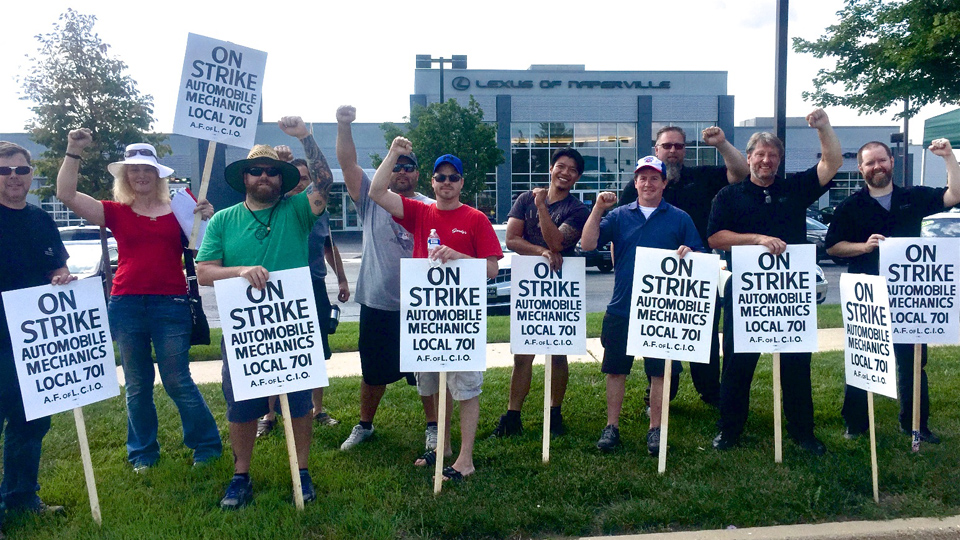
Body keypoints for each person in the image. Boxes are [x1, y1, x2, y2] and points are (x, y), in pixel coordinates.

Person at [56, 130, 222, 472]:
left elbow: (203, 246)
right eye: (134, 170)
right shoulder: (115, 211)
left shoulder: (180, 207)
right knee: (137, 384)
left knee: (177, 380)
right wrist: (73, 150)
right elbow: (66, 194)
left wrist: (207, 216)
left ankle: (206, 445)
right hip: (126, 304)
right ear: (125, 176)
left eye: (147, 169)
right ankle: (143, 453)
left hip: (171, 305)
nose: (141, 175)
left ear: (158, 174)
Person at [196, 116, 334, 509]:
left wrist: (306, 136)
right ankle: (241, 476)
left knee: (300, 402)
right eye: (256, 170)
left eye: (272, 172)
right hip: (246, 329)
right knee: (241, 406)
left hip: (292, 324)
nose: (264, 177)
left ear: (282, 179)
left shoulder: (297, 210)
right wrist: (240, 271)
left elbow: (323, 182)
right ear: (245, 177)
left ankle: (302, 471)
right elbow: (204, 272)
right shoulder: (223, 220)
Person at [706, 108, 843, 455]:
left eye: (772, 155)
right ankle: (729, 430)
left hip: (790, 295)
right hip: (747, 293)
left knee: (797, 365)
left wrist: (823, 128)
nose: (766, 160)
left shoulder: (795, 188)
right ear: (748, 158)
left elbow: (832, 164)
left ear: (779, 160)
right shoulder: (729, 195)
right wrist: (756, 239)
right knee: (737, 365)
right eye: (760, 154)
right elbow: (716, 238)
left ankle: (803, 433)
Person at [369, 137, 502, 480]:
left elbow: (491, 269)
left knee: (465, 387)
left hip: (461, 318)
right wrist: (395, 154)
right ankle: (441, 447)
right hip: (426, 317)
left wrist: (458, 256)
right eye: (440, 177)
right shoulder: (419, 212)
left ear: (461, 182)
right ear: (432, 182)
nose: (446, 183)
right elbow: (376, 192)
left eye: (452, 177)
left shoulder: (475, 219)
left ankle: (465, 459)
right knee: (432, 385)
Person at [825, 139, 960, 442]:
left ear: (892, 162)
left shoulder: (914, 196)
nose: (877, 167)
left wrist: (949, 157)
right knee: (864, 357)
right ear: (860, 168)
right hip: (867, 295)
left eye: (881, 160)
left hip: (910, 297)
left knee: (913, 362)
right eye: (870, 163)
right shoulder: (850, 206)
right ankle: (856, 423)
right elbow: (833, 246)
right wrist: (865, 246)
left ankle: (916, 425)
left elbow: (955, 194)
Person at [334, 105, 439, 454]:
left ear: (418, 174)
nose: (402, 172)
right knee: (373, 373)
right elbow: (348, 165)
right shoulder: (370, 198)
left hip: (421, 306)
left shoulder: (431, 206)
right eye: (396, 167)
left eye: (409, 168)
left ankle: (434, 428)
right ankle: (365, 425)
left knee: (428, 372)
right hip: (379, 301)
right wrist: (344, 125)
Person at [620, 126, 748, 408]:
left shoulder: (701, 177)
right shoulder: (637, 185)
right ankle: (661, 393)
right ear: (656, 149)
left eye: (678, 146)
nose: (673, 151)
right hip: (654, 277)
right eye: (667, 146)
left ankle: (710, 391)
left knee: (705, 334)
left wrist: (722, 145)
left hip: (698, 270)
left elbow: (740, 174)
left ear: (685, 150)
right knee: (657, 338)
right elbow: (622, 230)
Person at [582, 156, 703, 455]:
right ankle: (612, 426)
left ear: (664, 183)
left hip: (662, 308)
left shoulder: (680, 218)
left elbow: (699, 257)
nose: (648, 183)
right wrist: (598, 208)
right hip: (622, 306)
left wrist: (689, 252)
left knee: (659, 372)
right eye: (642, 178)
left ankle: (656, 428)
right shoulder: (620, 215)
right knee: (615, 370)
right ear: (635, 183)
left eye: (654, 178)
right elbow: (587, 244)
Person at [490, 147, 589, 438]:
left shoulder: (577, 209)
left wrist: (543, 207)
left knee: (558, 353)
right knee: (523, 354)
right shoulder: (524, 200)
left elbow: (558, 242)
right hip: (529, 284)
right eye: (561, 166)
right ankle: (512, 416)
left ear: (577, 177)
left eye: (572, 169)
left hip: (561, 284)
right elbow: (511, 239)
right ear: (551, 168)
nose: (565, 172)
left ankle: (554, 414)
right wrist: (541, 252)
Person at [0, 141, 72, 532]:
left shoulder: (41, 219)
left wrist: (60, 279)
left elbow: (56, 268)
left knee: (31, 424)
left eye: (21, 170)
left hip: (33, 344)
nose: (13, 177)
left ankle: (21, 497)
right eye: (5, 171)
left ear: (30, 175)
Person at [255, 156, 350, 438]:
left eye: (305, 178)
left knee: (315, 349)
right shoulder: (273, 208)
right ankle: (268, 413)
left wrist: (342, 278)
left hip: (313, 284)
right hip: (277, 289)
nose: (300, 184)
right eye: (294, 178)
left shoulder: (319, 212)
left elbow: (328, 247)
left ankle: (316, 409)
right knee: (273, 350)